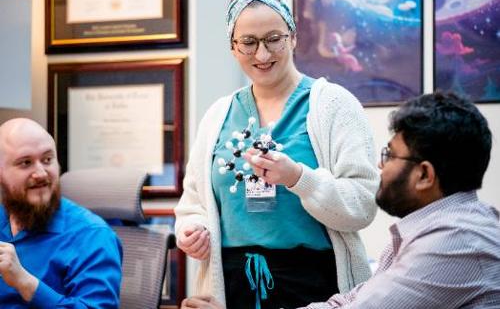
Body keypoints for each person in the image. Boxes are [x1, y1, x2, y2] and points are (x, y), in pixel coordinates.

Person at [179, 91, 500, 309]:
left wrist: (298, 179)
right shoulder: (436, 229)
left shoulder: (458, 240)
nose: (379, 165)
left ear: (425, 175)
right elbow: (350, 301)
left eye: (389, 155)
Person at [174, 0, 379, 309]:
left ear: (293, 37)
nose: (262, 54)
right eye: (248, 43)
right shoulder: (218, 115)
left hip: (315, 283)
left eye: (273, 39)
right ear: (232, 46)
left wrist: (299, 177)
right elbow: (193, 203)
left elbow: (362, 205)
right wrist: (193, 229)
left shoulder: (334, 106)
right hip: (232, 284)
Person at [0, 118, 123, 308]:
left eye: (47, 160)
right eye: (26, 163)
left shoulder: (93, 235)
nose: (40, 173)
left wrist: (25, 283)